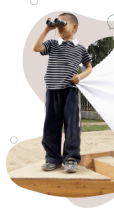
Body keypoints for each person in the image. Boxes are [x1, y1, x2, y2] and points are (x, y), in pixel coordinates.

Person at [32, 13, 92, 173]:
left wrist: (80, 76)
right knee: (51, 125)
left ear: (74, 27)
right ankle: (52, 159)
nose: (58, 27)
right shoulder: (52, 44)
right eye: (57, 25)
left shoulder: (81, 49)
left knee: (72, 125)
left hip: (70, 91)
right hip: (52, 90)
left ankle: (71, 158)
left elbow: (89, 67)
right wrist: (46, 28)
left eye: (62, 24)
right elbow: (36, 47)